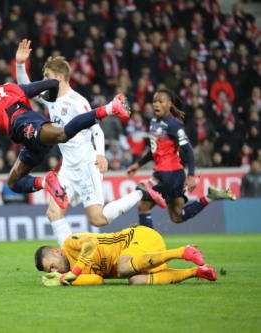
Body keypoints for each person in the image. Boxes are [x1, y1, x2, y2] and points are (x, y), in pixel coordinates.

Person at [15, 39, 166, 245]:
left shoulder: (78, 102)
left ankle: (141, 192)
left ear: (59, 78)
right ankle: (70, 259)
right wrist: (19, 64)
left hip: (86, 166)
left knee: (97, 219)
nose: (43, 80)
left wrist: (101, 154)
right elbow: (25, 87)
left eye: (47, 76)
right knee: (53, 213)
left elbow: (96, 129)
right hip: (68, 168)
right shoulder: (49, 98)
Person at [0, 66, 131, 210]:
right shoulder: (9, 87)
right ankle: (46, 181)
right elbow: (52, 83)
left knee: (62, 134)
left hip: (23, 124)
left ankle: (110, 108)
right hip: (28, 129)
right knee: (14, 182)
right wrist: (50, 100)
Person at [126, 89, 236, 229]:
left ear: (169, 104)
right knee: (178, 216)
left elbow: (189, 150)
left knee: (143, 206)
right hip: (173, 174)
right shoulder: (154, 121)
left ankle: (148, 244)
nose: (156, 105)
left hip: (168, 175)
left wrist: (191, 176)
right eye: (154, 101)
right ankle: (210, 197)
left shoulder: (173, 124)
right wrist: (138, 164)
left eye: (160, 101)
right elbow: (155, 149)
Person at [35, 225, 217, 286]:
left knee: (122, 267)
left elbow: (90, 244)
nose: (54, 270)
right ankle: (197, 272)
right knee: (136, 281)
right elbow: (98, 280)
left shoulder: (69, 243)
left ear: (56, 252)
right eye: (50, 271)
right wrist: (66, 279)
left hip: (139, 237)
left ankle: (182, 252)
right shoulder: (76, 272)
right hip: (141, 260)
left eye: (52, 266)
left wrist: (74, 271)